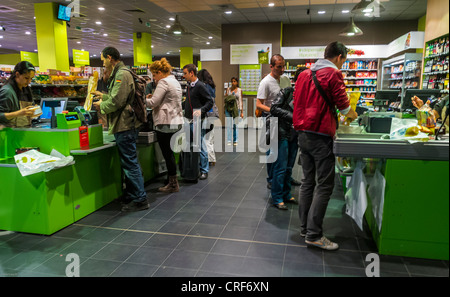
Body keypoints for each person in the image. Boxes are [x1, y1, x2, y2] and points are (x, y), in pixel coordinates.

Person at [293, 41, 358, 250]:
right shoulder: (333, 74)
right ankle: (314, 234)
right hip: (321, 134)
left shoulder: (304, 74)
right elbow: (344, 106)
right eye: (343, 61)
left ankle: (305, 228)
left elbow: (298, 101)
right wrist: (352, 114)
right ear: (339, 57)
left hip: (303, 133)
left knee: (307, 182)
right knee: (325, 185)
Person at [91, 47, 149, 212]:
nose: (103, 63)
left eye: (103, 60)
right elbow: (121, 97)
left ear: (110, 58)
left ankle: (140, 198)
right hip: (126, 124)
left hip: (125, 125)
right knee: (129, 161)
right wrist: (104, 96)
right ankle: (133, 194)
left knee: (130, 163)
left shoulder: (121, 74)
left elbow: (117, 102)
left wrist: (101, 105)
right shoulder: (121, 73)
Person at [268, 68, 306, 210]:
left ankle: (286, 193)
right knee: (280, 166)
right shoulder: (287, 92)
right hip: (281, 132)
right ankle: (277, 197)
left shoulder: (307, 95)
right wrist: (293, 117)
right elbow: (274, 108)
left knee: (289, 167)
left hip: (295, 134)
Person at [146, 58, 183, 193]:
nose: (154, 78)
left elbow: (153, 103)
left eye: (154, 75)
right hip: (176, 120)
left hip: (165, 122)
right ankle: (171, 180)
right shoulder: (175, 81)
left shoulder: (164, 82)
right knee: (171, 154)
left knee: (167, 154)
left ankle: (173, 184)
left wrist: (145, 99)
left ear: (160, 72)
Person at [256, 54, 286, 190]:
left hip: (283, 120)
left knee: (280, 151)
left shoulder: (284, 80)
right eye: (279, 67)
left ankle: (280, 176)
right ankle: (270, 178)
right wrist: (274, 110)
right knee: (271, 151)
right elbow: (259, 105)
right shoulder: (265, 82)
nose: (282, 69)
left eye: (283, 66)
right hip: (271, 120)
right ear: (271, 66)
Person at [182, 64, 214, 180]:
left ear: (191, 73)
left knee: (200, 144)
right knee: (192, 145)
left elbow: (209, 101)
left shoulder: (200, 86)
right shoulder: (189, 86)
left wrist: (201, 110)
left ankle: (204, 170)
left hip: (197, 120)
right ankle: (194, 168)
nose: (183, 76)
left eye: (185, 73)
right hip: (188, 119)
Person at [0, 61, 39, 128]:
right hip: (9, 133)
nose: (29, 82)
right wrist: (19, 113)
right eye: (26, 78)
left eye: (31, 78)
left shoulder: (26, 89)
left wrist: (36, 110)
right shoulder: (7, 92)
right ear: (17, 74)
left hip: (22, 132)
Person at [197, 69, 217, 166]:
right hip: (213, 114)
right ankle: (211, 158)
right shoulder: (212, 86)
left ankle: (208, 159)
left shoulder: (203, 87)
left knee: (205, 138)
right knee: (210, 137)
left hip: (207, 114)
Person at [225, 77, 243, 145]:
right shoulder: (228, 89)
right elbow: (226, 99)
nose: (233, 83)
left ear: (237, 82)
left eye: (234, 81)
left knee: (235, 125)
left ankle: (235, 140)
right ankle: (229, 140)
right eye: (232, 81)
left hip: (236, 109)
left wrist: (241, 112)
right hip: (228, 109)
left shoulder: (239, 90)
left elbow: (240, 101)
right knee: (229, 125)